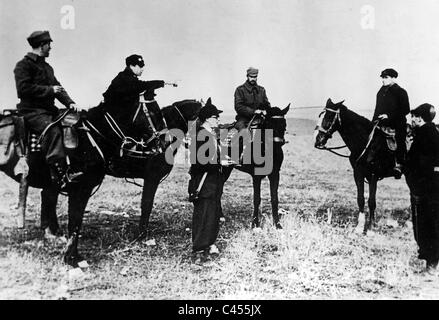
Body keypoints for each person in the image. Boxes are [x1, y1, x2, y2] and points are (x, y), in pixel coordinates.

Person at [14, 30, 82, 189]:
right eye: (48, 44)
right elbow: (22, 89)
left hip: (48, 110)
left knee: (72, 125)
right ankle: (60, 174)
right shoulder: (23, 65)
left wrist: (70, 103)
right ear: (41, 45)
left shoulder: (47, 67)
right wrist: (49, 90)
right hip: (31, 111)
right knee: (53, 131)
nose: (50, 47)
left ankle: (73, 165)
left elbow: (58, 88)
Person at [188, 98, 229, 263]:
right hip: (204, 180)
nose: (218, 120)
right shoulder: (201, 136)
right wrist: (219, 163)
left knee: (213, 211)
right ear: (207, 119)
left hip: (214, 179)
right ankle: (199, 247)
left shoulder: (211, 135)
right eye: (215, 117)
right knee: (203, 213)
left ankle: (210, 243)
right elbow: (199, 162)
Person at [405, 103, 439, 274]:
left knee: (427, 225)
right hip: (429, 187)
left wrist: (417, 186)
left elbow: (422, 163)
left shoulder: (426, 134)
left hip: (425, 189)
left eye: (414, 116)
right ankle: (431, 263)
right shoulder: (431, 132)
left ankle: (432, 266)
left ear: (419, 118)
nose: (412, 119)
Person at [102, 54, 166, 138]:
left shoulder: (128, 77)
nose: (142, 69)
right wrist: (162, 83)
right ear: (131, 66)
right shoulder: (124, 77)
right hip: (113, 119)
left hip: (119, 118)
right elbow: (141, 85)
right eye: (140, 66)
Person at [372, 68, 410, 178]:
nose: (383, 80)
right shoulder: (380, 92)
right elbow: (377, 109)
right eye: (382, 78)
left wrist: (389, 115)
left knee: (399, 139)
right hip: (381, 122)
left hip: (397, 123)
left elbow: (405, 109)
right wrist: (373, 122)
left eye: (386, 77)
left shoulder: (401, 92)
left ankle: (399, 164)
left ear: (393, 78)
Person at [234, 67, 271, 131]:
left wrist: (266, 110)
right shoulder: (240, 90)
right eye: (251, 77)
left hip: (260, 118)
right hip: (244, 119)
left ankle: (271, 141)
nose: (253, 79)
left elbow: (267, 104)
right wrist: (253, 111)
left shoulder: (261, 90)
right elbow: (238, 107)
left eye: (255, 77)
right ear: (247, 76)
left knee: (270, 130)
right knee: (243, 133)